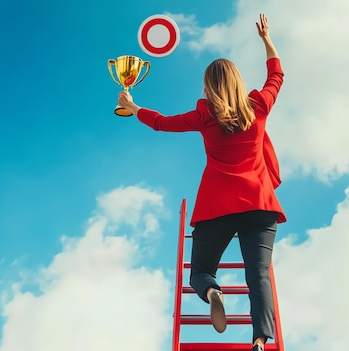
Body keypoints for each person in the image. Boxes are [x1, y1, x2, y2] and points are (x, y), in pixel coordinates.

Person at [117, 13, 284, 351]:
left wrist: (133, 106)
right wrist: (266, 39)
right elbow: (276, 74)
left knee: (200, 272)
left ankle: (213, 292)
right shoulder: (260, 106)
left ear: (209, 87)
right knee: (259, 275)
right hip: (259, 205)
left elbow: (162, 123)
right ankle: (260, 340)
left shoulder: (204, 116)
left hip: (217, 207)